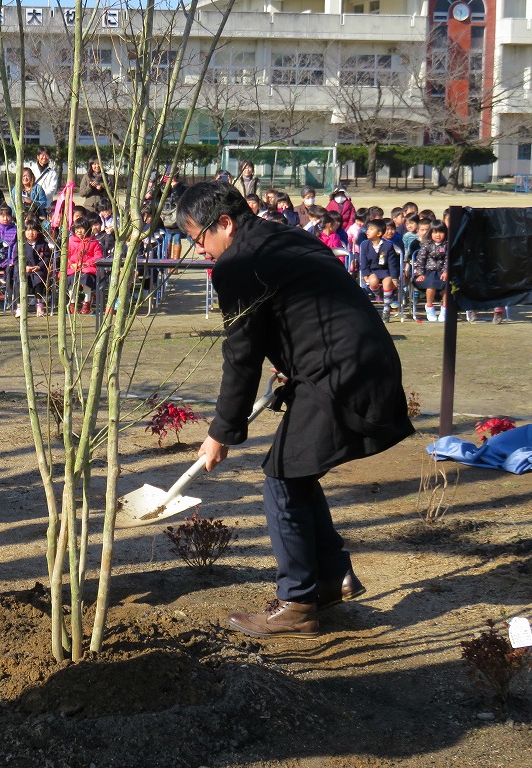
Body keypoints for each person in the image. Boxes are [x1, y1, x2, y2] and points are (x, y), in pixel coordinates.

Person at [176, 181, 414, 639]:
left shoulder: (240, 263)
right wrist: (293, 364)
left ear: (224, 223)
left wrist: (221, 431)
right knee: (296, 471)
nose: (201, 250)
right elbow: (297, 316)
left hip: (340, 373)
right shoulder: (288, 235)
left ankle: (298, 601)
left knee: (282, 478)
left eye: (198, 239)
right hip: (363, 361)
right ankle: (331, 577)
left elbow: (241, 355)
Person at [358, 218, 400, 322]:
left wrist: (394, 278)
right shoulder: (364, 245)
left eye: (371, 229)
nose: (367, 231)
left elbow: (392, 264)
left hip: (385, 271)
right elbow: (363, 262)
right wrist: (365, 274)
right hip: (372, 271)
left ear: (379, 233)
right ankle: (379, 294)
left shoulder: (388, 245)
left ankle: (386, 309)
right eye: (367, 229)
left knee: (387, 282)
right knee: (373, 281)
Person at [66, 216, 103, 314]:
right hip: (72, 268)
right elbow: (65, 256)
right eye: (76, 229)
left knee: (86, 279)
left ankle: (87, 302)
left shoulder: (93, 242)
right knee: (70, 280)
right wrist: (71, 264)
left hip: (87, 269)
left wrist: (86, 264)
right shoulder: (70, 241)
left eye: (81, 229)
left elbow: (98, 256)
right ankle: (72, 303)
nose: (78, 231)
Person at [413, 221, 448, 323]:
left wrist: (446, 271)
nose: (438, 235)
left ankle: (445, 309)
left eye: (440, 232)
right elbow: (420, 260)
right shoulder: (426, 245)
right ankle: (429, 306)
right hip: (429, 271)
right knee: (431, 284)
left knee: (446, 285)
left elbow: (448, 260)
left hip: (442, 271)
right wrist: (420, 274)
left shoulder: (447, 245)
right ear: (430, 233)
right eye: (435, 232)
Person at [17, 218, 53, 317]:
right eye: (28, 230)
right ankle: (20, 306)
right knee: (18, 279)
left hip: (38, 269)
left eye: (33, 230)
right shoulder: (21, 244)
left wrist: (39, 266)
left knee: (38, 279)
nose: (30, 233)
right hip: (24, 269)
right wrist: (24, 267)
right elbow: (16, 259)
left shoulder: (43, 244)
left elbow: (47, 257)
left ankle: (39, 304)